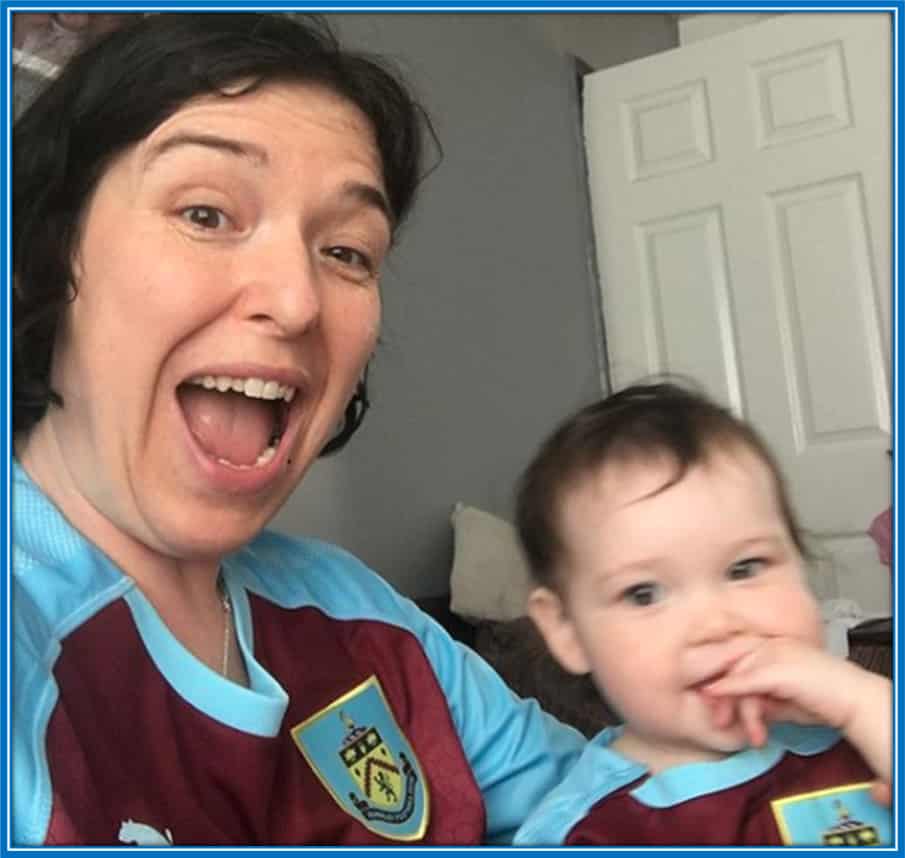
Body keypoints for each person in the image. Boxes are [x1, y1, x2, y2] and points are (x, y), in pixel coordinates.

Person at [11, 13, 587, 845]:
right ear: (45, 256)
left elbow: (601, 815)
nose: (297, 301)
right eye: (206, 213)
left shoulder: (354, 611)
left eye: (349, 252)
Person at [510, 382, 892, 846]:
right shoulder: (587, 833)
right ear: (566, 630)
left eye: (744, 568)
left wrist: (869, 705)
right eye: (644, 594)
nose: (716, 625)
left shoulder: (864, 732)